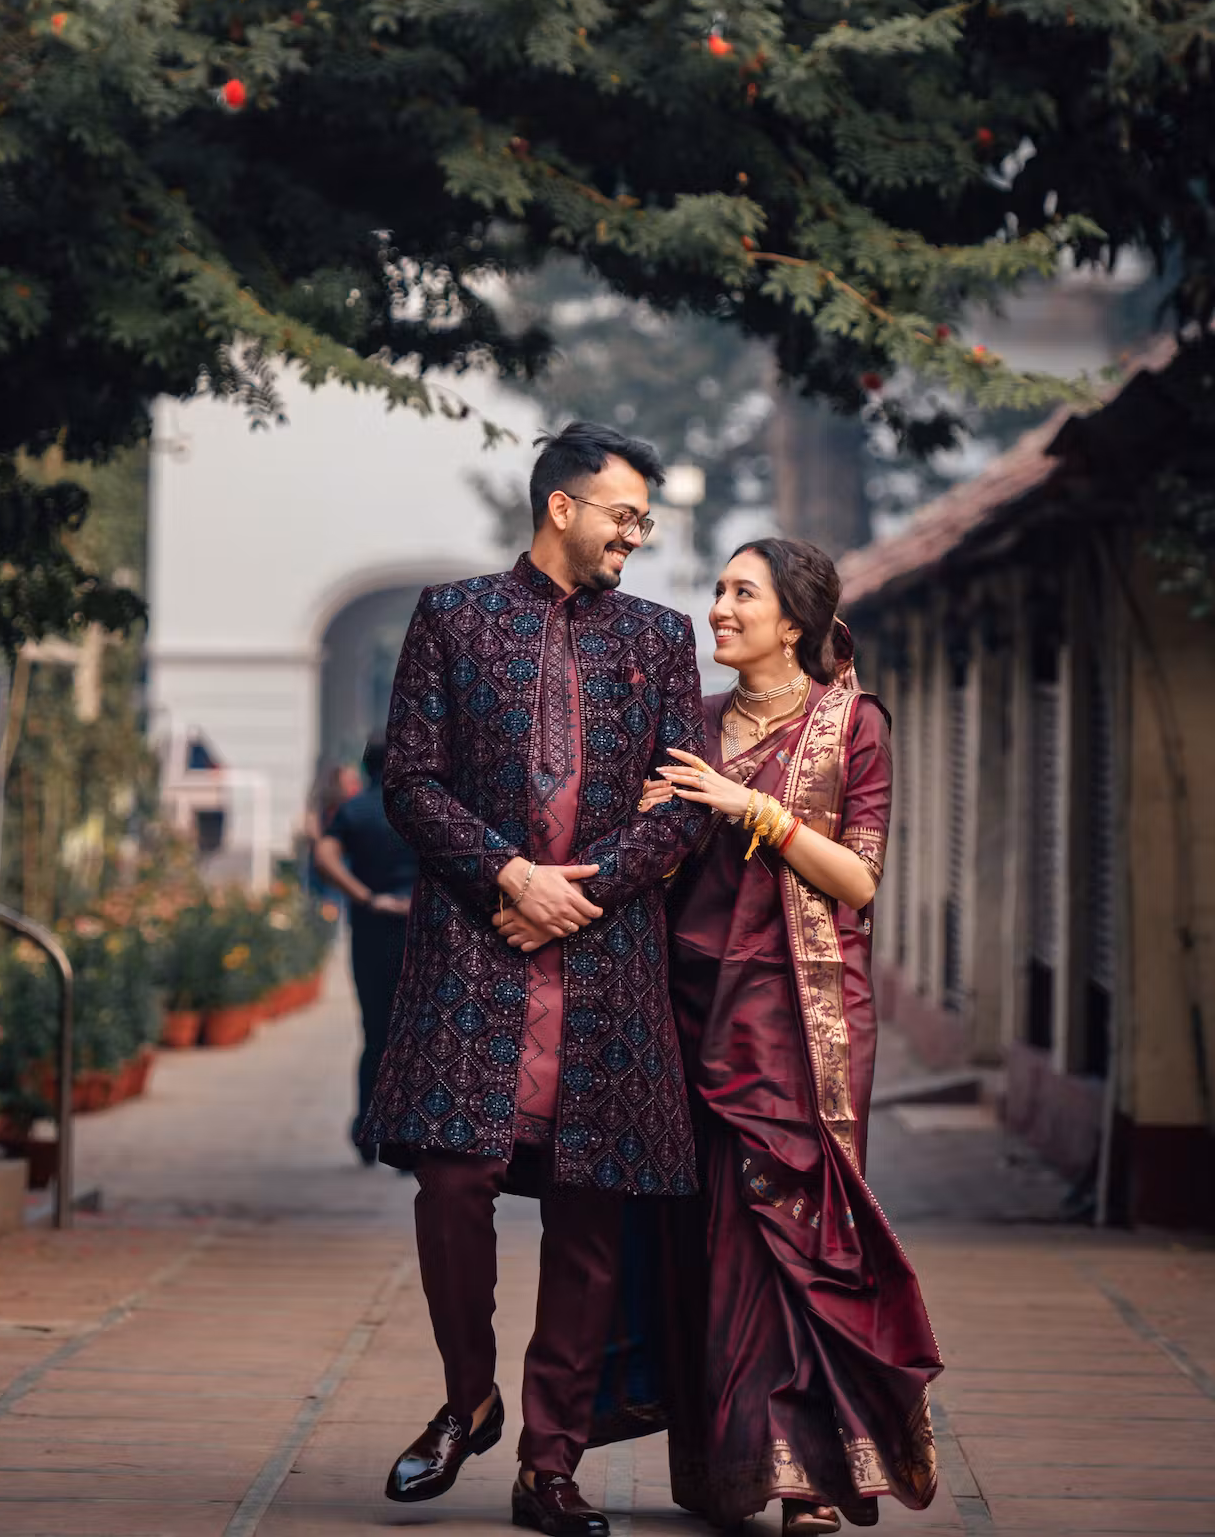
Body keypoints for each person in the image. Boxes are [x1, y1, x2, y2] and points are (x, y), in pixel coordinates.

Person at [364, 421, 711, 1537]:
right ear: (561, 505)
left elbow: (683, 801)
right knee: (454, 1183)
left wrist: (585, 887)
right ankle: (470, 1399)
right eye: (624, 513)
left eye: (644, 520)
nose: (637, 535)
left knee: (589, 1214)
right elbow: (408, 780)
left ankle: (549, 1466)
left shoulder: (659, 638)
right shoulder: (455, 617)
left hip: (606, 965)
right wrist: (509, 873)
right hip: (478, 949)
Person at [599, 537, 942, 1534]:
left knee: (801, 1233)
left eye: (739, 592)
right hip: (692, 1012)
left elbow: (860, 880)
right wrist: (654, 821)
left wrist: (758, 809)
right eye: (715, 590)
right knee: (714, 1238)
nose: (716, 608)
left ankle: (815, 1479)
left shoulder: (852, 727)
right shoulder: (692, 728)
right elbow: (654, 870)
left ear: (791, 620)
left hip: (803, 1019)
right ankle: (739, 1465)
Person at [312, 735, 417, 1164]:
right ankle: (406, 1136)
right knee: (413, 1032)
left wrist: (364, 896)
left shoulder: (354, 810)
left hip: (372, 929)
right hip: (421, 931)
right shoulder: (418, 809)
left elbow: (324, 856)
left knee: (374, 1032)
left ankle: (365, 1129)